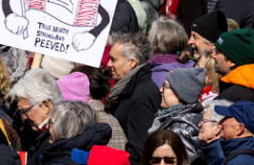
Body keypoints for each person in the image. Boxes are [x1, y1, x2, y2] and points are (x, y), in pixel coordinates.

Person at [106, 32, 160, 164]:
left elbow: (139, 151)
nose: (108, 64)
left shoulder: (142, 96)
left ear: (132, 63)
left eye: (113, 59)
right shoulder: (131, 88)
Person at [148, 67, 206, 161]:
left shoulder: (179, 128)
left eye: (166, 86)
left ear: (181, 94)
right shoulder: (195, 116)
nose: (161, 90)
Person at [9, 68, 63, 163]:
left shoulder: (56, 141)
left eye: (25, 111)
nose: (23, 118)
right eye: (20, 112)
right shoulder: (44, 134)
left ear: (46, 106)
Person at [39, 101, 112, 164]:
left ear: (68, 129)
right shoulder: (90, 155)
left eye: (51, 122)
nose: (47, 127)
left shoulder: (62, 161)